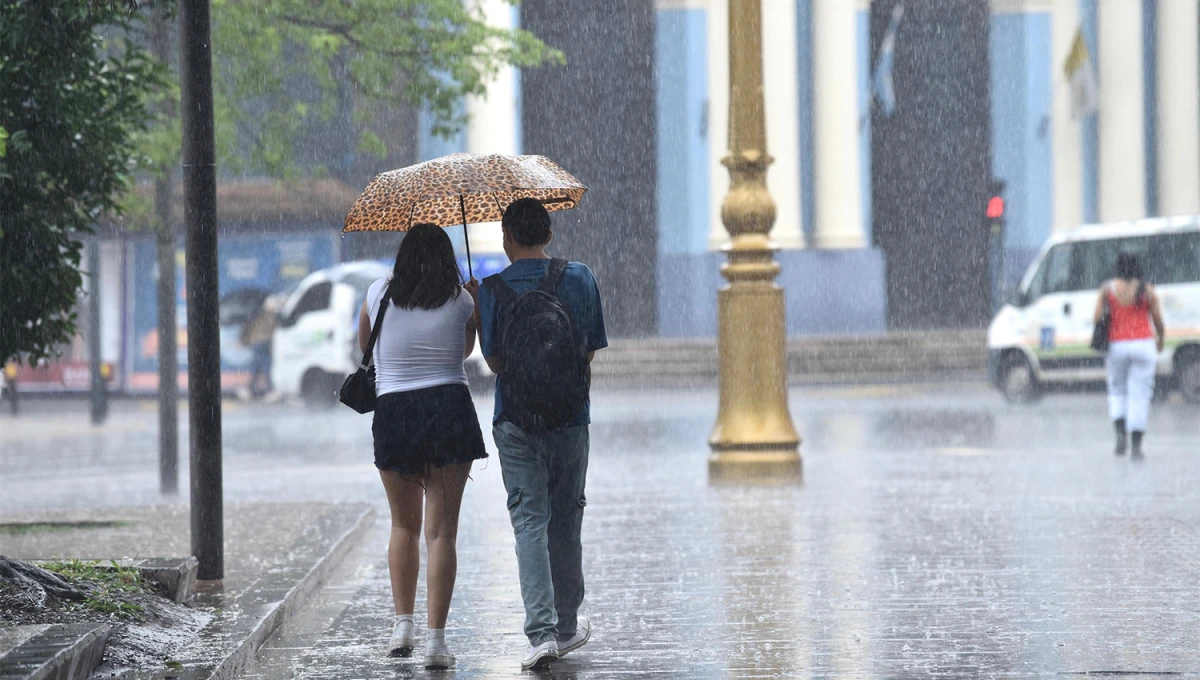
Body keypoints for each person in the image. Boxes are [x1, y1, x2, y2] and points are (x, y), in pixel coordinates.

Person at [477, 198, 608, 670]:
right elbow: (590, 351)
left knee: (529, 520)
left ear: (506, 238)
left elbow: (494, 364)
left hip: (515, 419)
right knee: (566, 518)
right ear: (548, 235)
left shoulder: (491, 289)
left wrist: (482, 302)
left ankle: (540, 633)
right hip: (571, 417)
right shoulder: (579, 277)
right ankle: (568, 626)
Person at [357, 224, 487, 669]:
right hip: (448, 408)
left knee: (403, 527)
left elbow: (366, 348)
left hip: (394, 413)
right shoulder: (462, 298)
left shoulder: (378, 293)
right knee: (441, 533)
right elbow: (464, 352)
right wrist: (473, 306)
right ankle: (436, 642)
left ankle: (402, 627)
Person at [1094, 252, 1165, 458]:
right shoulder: (1147, 290)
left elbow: (1097, 317)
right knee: (1140, 394)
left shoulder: (1107, 289)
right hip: (1143, 344)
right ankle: (1136, 446)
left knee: (1117, 390)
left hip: (1117, 345)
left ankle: (1120, 438)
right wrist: (1159, 340)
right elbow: (1158, 320)